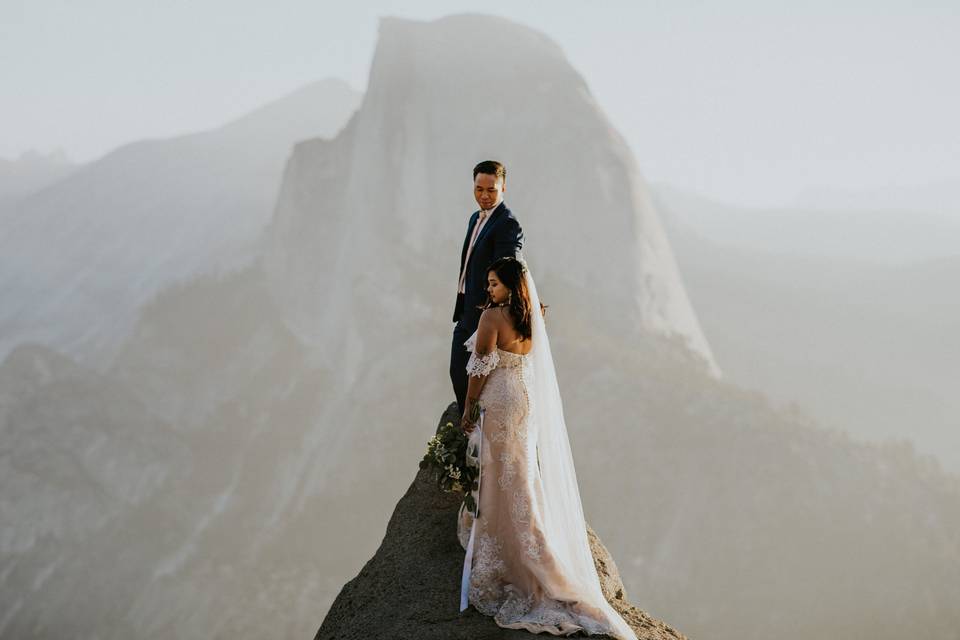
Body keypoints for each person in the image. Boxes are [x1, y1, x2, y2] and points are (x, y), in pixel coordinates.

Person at [456, 257, 638, 640]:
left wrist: (470, 407)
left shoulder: (492, 318)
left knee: (500, 474)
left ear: (508, 285)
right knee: (520, 474)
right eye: (488, 284)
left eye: (493, 283)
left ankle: (508, 551)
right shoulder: (531, 315)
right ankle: (534, 545)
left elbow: (479, 367)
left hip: (501, 399)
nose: (488, 290)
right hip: (525, 399)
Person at [451, 160, 524, 415]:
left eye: (491, 190)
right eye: (479, 188)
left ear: (504, 187)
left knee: (472, 378)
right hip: (466, 309)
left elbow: (507, 270)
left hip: (485, 314)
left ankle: (471, 436)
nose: (483, 195)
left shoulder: (507, 223)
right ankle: (467, 433)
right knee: (458, 372)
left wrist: (491, 313)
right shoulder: (475, 218)